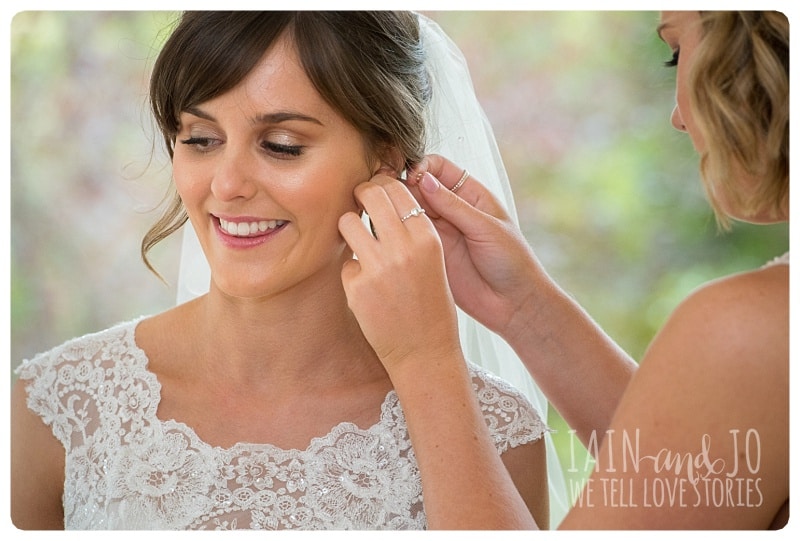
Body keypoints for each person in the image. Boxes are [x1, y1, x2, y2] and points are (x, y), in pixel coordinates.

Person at [10, 11, 552, 530]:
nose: (227, 185)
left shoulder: (499, 433)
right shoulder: (58, 407)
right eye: (200, 139)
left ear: (385, 159)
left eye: (281, 146)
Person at [344, 10, 789, 529]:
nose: (679, 116)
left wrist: (423, 357)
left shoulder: (756, 328)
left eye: (677, 52)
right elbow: (706, 473)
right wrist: (526, 306)